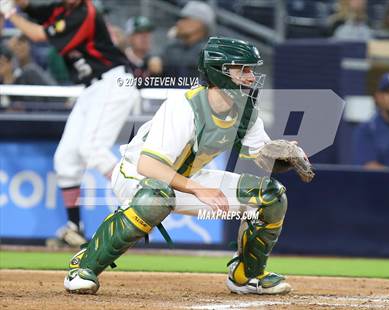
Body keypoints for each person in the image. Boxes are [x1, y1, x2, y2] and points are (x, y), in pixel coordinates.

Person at [62, 37, 314, 295]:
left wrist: (286, 155)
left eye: (251, 70)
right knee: (156, 196)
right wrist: (197, 189)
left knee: (272, 196)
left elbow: (263, 155)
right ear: (220, 72)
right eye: (244, 70)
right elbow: (149, 165)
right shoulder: (184, 105)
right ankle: (85, 264)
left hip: (186, 179)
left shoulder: (245, 110)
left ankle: (246, 275)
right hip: (135, 174)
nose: (251, 77)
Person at [0, 0, 139, 246]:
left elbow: (37, 34)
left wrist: (8, 11)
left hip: (114, 81)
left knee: (92, 149)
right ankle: (75, 228)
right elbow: (29, 6)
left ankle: (140, 201)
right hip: (91, 88)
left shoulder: (85, 12)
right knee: (65, 159)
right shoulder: (61, 8)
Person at [161, 1, 215, 78]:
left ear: (199, 24)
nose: (179, 23)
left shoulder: (211, 50)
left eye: (185, 19)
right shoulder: (172, 47)